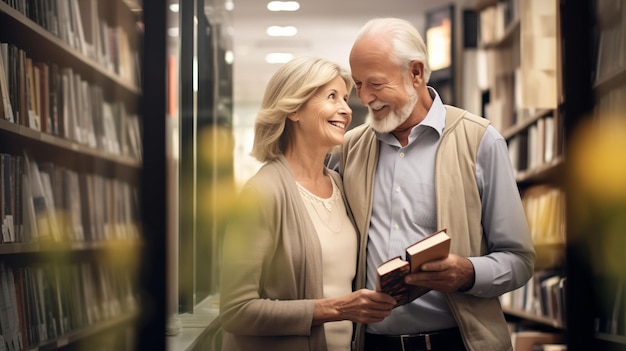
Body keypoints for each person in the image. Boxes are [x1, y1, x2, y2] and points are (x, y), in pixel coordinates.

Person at [326, 17, 536, 351]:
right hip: (372, 344)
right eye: (359, 84)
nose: (364, 98)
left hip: (457, 343)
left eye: (376, 84)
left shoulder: (480, 141)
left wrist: (468, 272)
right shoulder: (348, 149)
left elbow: (520, 261)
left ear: (417, 73)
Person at [218, 56, 397, 351]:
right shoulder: (261, 194)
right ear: (294, 109)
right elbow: (236, 311)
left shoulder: (340, 185)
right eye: (331, 97)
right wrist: (338, 309)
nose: (345, 109)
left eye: (344, 97)